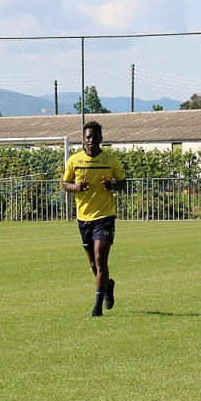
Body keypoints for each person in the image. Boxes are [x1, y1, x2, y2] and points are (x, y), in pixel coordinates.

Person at [61, 121, 127, 316]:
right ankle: (107, 285)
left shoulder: (111, 161)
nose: (91, 140)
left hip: (105, 215)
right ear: (83, 139)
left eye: (94, 137)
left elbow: (123, 183)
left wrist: (112, 187)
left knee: (100, 258)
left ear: (101, 139)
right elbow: (65, 183)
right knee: (93, 264)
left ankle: (97, 307)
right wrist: (76, 187)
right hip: (83, 218)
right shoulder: (74, 160)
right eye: (88, 137)